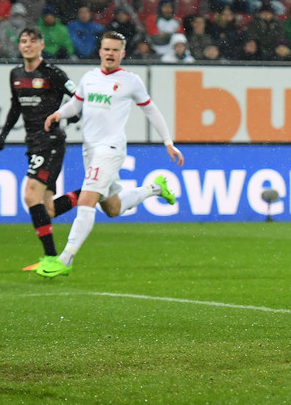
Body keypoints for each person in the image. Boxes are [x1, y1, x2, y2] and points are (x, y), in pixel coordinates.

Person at [37, 31, 185, 277]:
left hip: (111, 149)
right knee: (113, 208)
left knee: (86, 200)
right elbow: (76, 104)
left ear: (122, 54)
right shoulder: (90, 77)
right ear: (100, 51)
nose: (110, 54)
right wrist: (59, 114)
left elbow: (152, 111)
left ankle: (64, 259)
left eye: (115, 50)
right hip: (91, 150)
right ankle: (155, 188)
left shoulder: (131, 81)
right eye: (107, 49)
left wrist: (168, 142)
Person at [0, 27, 81, 272]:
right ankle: (92, 193)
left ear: (41, 45)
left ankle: (51, 259)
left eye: (32, 41)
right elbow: (15, 106)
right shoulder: (16, 74)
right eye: (23, 41)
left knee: (30, 195)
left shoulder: (53, 73)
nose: (27, 45)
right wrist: (3, 134)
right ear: (19, 46)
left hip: (51, 141)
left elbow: (78, 96)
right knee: (48, 208)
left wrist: (74, 113)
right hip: (33, 143)